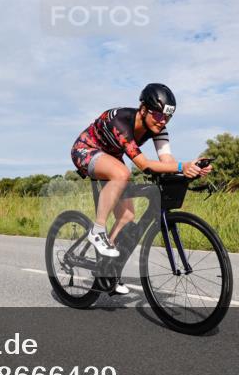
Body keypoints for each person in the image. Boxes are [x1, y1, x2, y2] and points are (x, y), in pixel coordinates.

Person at [70, 83, 212, 295]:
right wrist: (182, 166)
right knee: (122, 173)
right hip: (86, 150)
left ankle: (106, 270)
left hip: (111, 157)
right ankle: (97, 230)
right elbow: (144, 164)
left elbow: (167, 160)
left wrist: (192, 169)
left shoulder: (158, 128)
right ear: (143, 109)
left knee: (127, 216)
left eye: (167, 117)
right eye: (158, 115)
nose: (162, 121)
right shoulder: (121, 122)